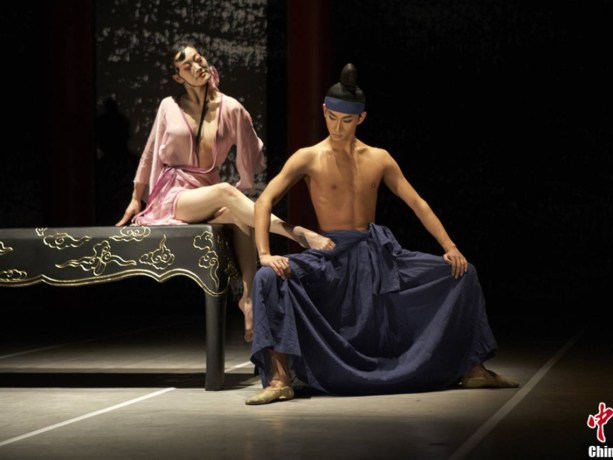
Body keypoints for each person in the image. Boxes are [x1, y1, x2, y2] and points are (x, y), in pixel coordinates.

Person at [245, 63, 519, 405]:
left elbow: (417, 203)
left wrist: (450, 246)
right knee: (268, 278)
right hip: (330, 256)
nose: (338, 127)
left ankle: (474, 368)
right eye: (332, 118)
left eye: (347, 120)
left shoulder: (379, 158)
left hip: (376, 255)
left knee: (462, 273)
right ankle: (279, 380)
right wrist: (264, 254)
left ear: (361, 118)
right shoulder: (308, 157)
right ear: (324, 111)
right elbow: (264, 201)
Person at [116, 44, 333, 342]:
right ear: (178, 77)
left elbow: (251, 149)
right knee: (226, 193)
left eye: (199, 58)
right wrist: (135, 197)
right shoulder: (169, 105)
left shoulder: (230, 107)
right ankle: (296, 233)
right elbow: (150, 153)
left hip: (206, 191)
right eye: (187, 65)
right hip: (174, 194)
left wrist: (245, 159)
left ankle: (248, 298)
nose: (198, 66)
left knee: (240, 216)